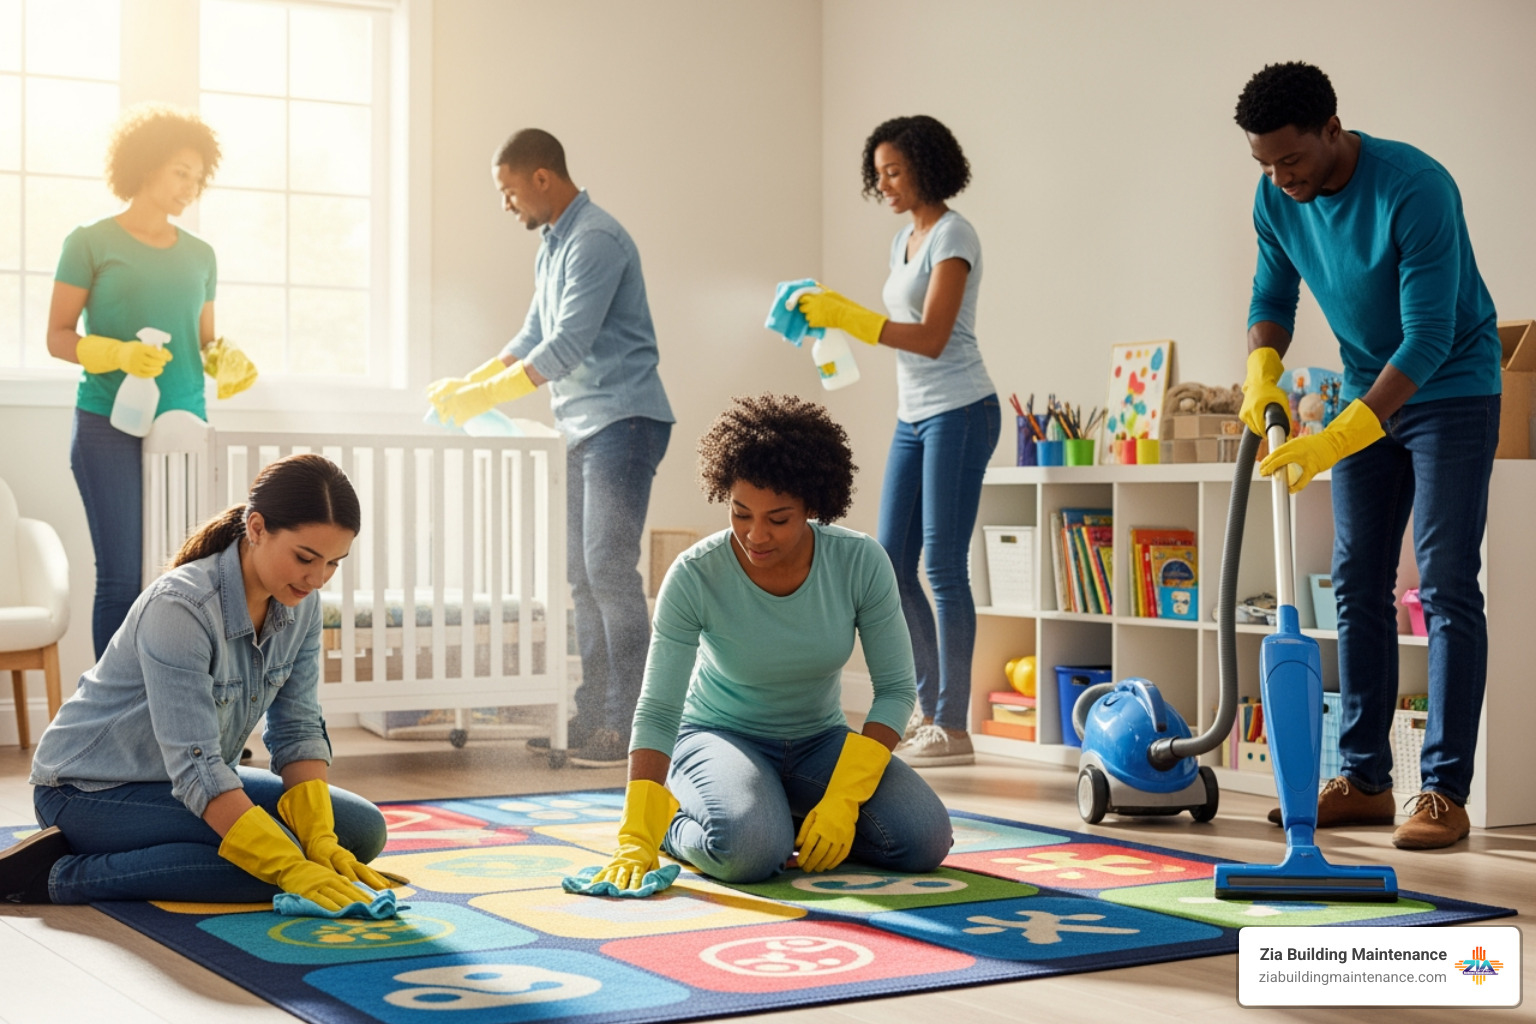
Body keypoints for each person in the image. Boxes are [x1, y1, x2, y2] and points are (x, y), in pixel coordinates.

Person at [1236, 62, 1502, 849]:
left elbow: (1429, 336)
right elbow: (1269, 300)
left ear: (1331, 129)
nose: (1281, 179)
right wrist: (1262, 368)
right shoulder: (1274, 198)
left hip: (1451, 389)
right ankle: (1364, 779)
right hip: (1363, 390)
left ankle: (1445, 791)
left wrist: (1343, 433)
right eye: (1265, 165)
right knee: (1355, 581)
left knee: (1447, 580)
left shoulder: (1414, 186)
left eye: (1292, 160)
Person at [588, 394, 952, 892]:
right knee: (751, 854)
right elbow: (658, 707)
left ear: (813, 507)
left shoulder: (860, 562)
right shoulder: (695, 574)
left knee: (924, 839)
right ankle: (679, 824)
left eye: (778, 519)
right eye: (740, 513)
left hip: (819, 740)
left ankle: (780, 816)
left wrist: (843, 799)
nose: (754, 535)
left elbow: (894, 689)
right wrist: (636, 836)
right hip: (717, 735)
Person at [0, 455, 391, 906]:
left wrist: (319, 836)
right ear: (257, 528)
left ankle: (144, 852)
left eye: (333, 563)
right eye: (305, 558)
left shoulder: (301, 605)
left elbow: (298, 728)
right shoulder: (180, 608)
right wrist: (287, 863)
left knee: (360, 832)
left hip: (182, 780)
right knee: (267, 864)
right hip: (87, 791)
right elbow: (197, 770)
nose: (317, 578)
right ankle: (55, 875)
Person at [429, 128, 673, 769]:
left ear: (542, 178)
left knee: (610, 573)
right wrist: (472, 383)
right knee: (582, 578)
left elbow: (564, 346)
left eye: (509, 191)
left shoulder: (596, 239)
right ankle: (591, 716)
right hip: (583, 426)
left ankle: (629, 725)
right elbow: (532, 333)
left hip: (623, 422)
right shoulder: (553, 244)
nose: (506, 205)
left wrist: (483, 399)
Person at [797, 115, 1000, 767]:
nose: (882, 184)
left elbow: (934, 337)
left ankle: (953, 725)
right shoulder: (901, 241)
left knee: (941, 563)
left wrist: (849, 317)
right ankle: (926, 707)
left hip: (961, 409)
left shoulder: (953, 233)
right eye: (877, 173)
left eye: (894, 171)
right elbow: (895, 328)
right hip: (914, 415)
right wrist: (829, 326)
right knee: (890, 560)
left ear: (926, 168)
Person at [47, 103, 256, 660]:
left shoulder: (201, 255)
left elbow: (205, 340)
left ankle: (180, 706)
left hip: (184, 423)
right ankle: (112, 720)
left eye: (198, 177)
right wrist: (115, 352)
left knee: (185, 576)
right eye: (179, 172)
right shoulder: (90, 242)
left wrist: (227, 359)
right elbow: (59, 335)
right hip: (106, 422)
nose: (190, 187)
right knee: (121, 574)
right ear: (145, 166)